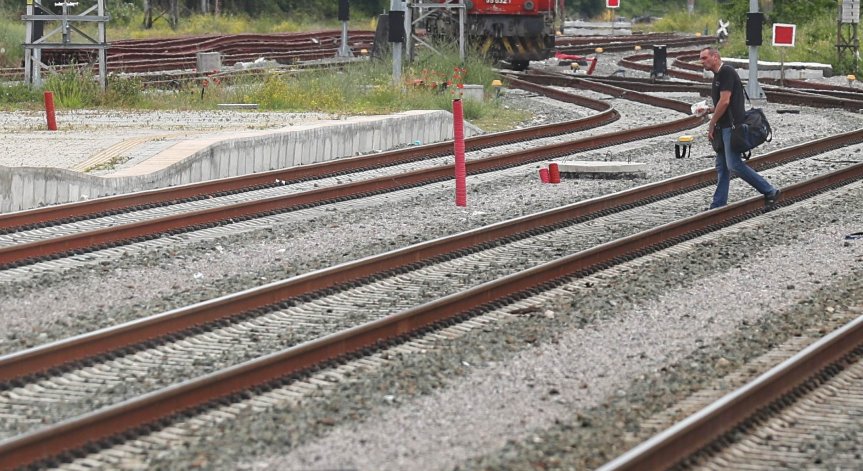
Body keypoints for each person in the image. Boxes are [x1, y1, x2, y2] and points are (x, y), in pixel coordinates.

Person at [698, 47, 780, 209]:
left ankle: (769, 190)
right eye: (701, 58)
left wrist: (712, 122)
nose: (702, 61)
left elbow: (725, 101)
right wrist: (708, 110)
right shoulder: (717, 77)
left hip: (731, 127)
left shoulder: (726, 72)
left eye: (704, 58)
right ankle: (718, 204)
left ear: (715, 57)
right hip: (724, 128)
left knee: (734, 165)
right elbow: (722, 104)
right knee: (722, 167)